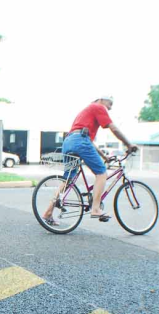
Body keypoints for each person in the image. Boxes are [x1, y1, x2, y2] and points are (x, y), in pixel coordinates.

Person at [43, 95, 137, 224]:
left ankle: (48, 212)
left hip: (69, 141)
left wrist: (104, 157)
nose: (110, 108)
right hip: (80, 142)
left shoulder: (86, 111)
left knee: (68, 179)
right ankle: (96, 208)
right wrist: (129, 144)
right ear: (101, 99)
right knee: (101, 173)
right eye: (110, 104)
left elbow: (88, 141)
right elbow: (113, 128)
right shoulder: (98, 106)